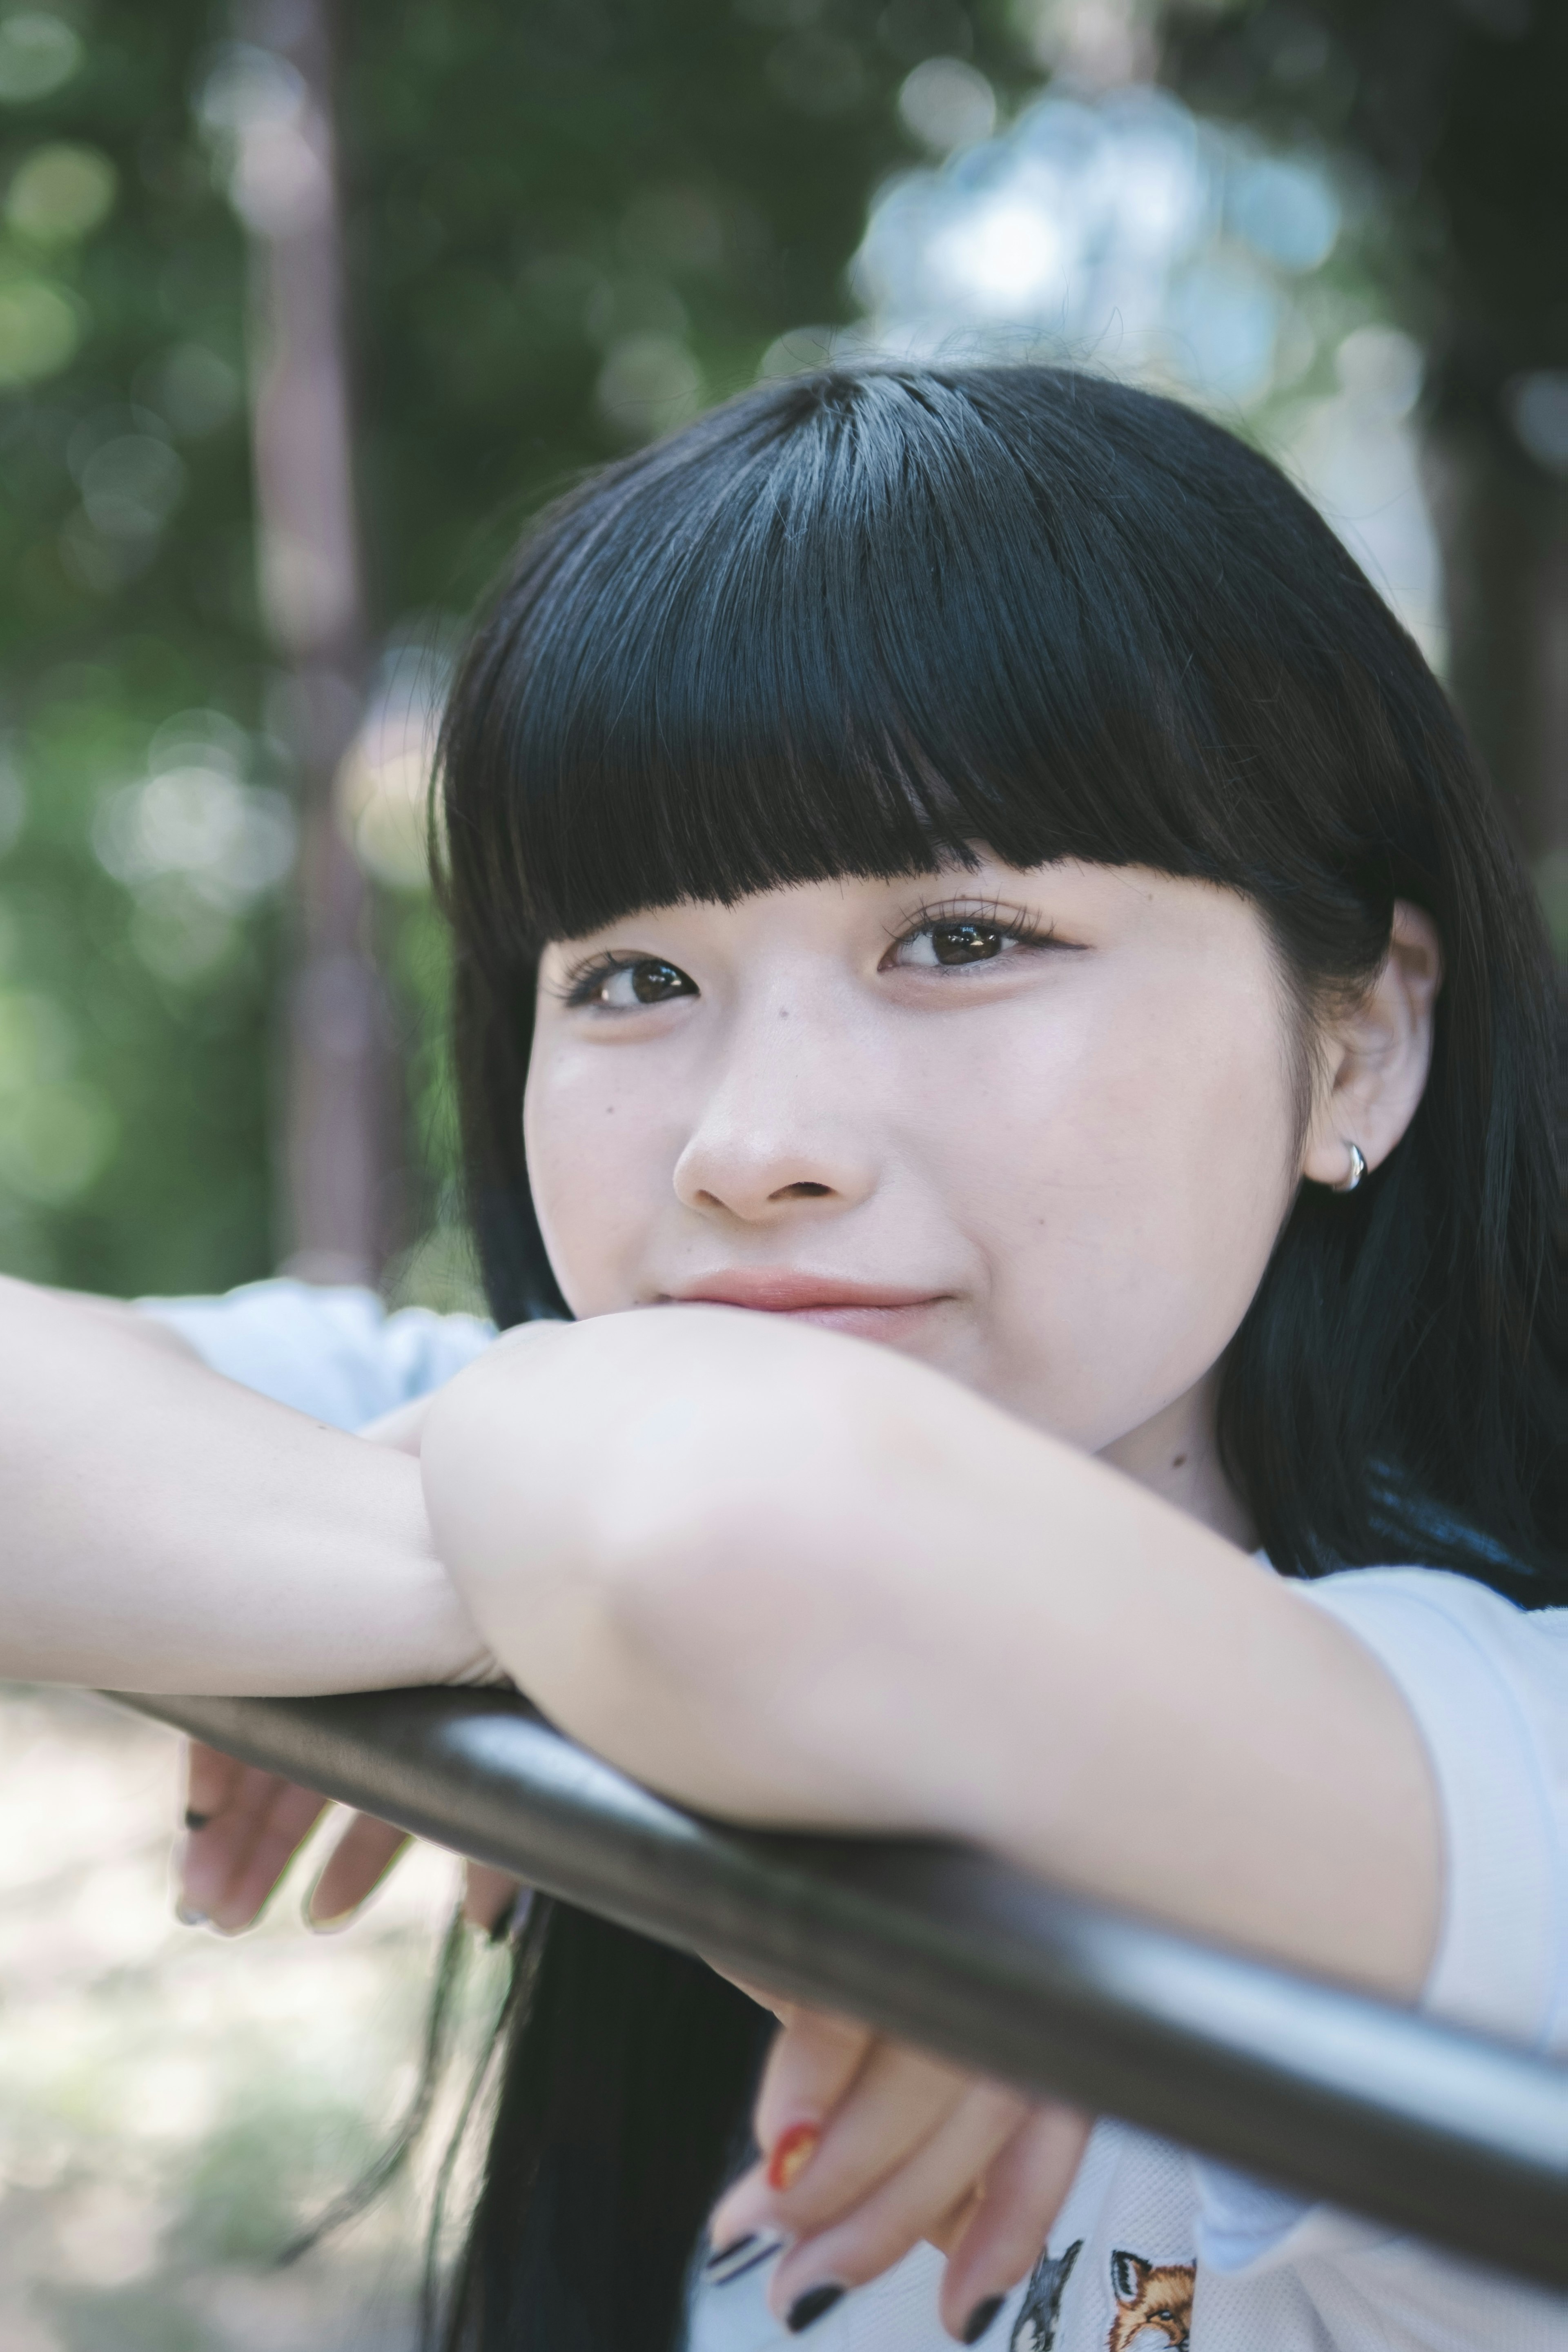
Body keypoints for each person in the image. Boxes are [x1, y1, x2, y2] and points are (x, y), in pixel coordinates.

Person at [14, 361, 1564, 2351]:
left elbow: (733, 1546)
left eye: (966, 938)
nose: (755, 1147)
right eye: (636, 980)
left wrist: (565, 1589)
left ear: (1357, 1038)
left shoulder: (1502, 1760)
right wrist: (553, 1585)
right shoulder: (516, 1469)